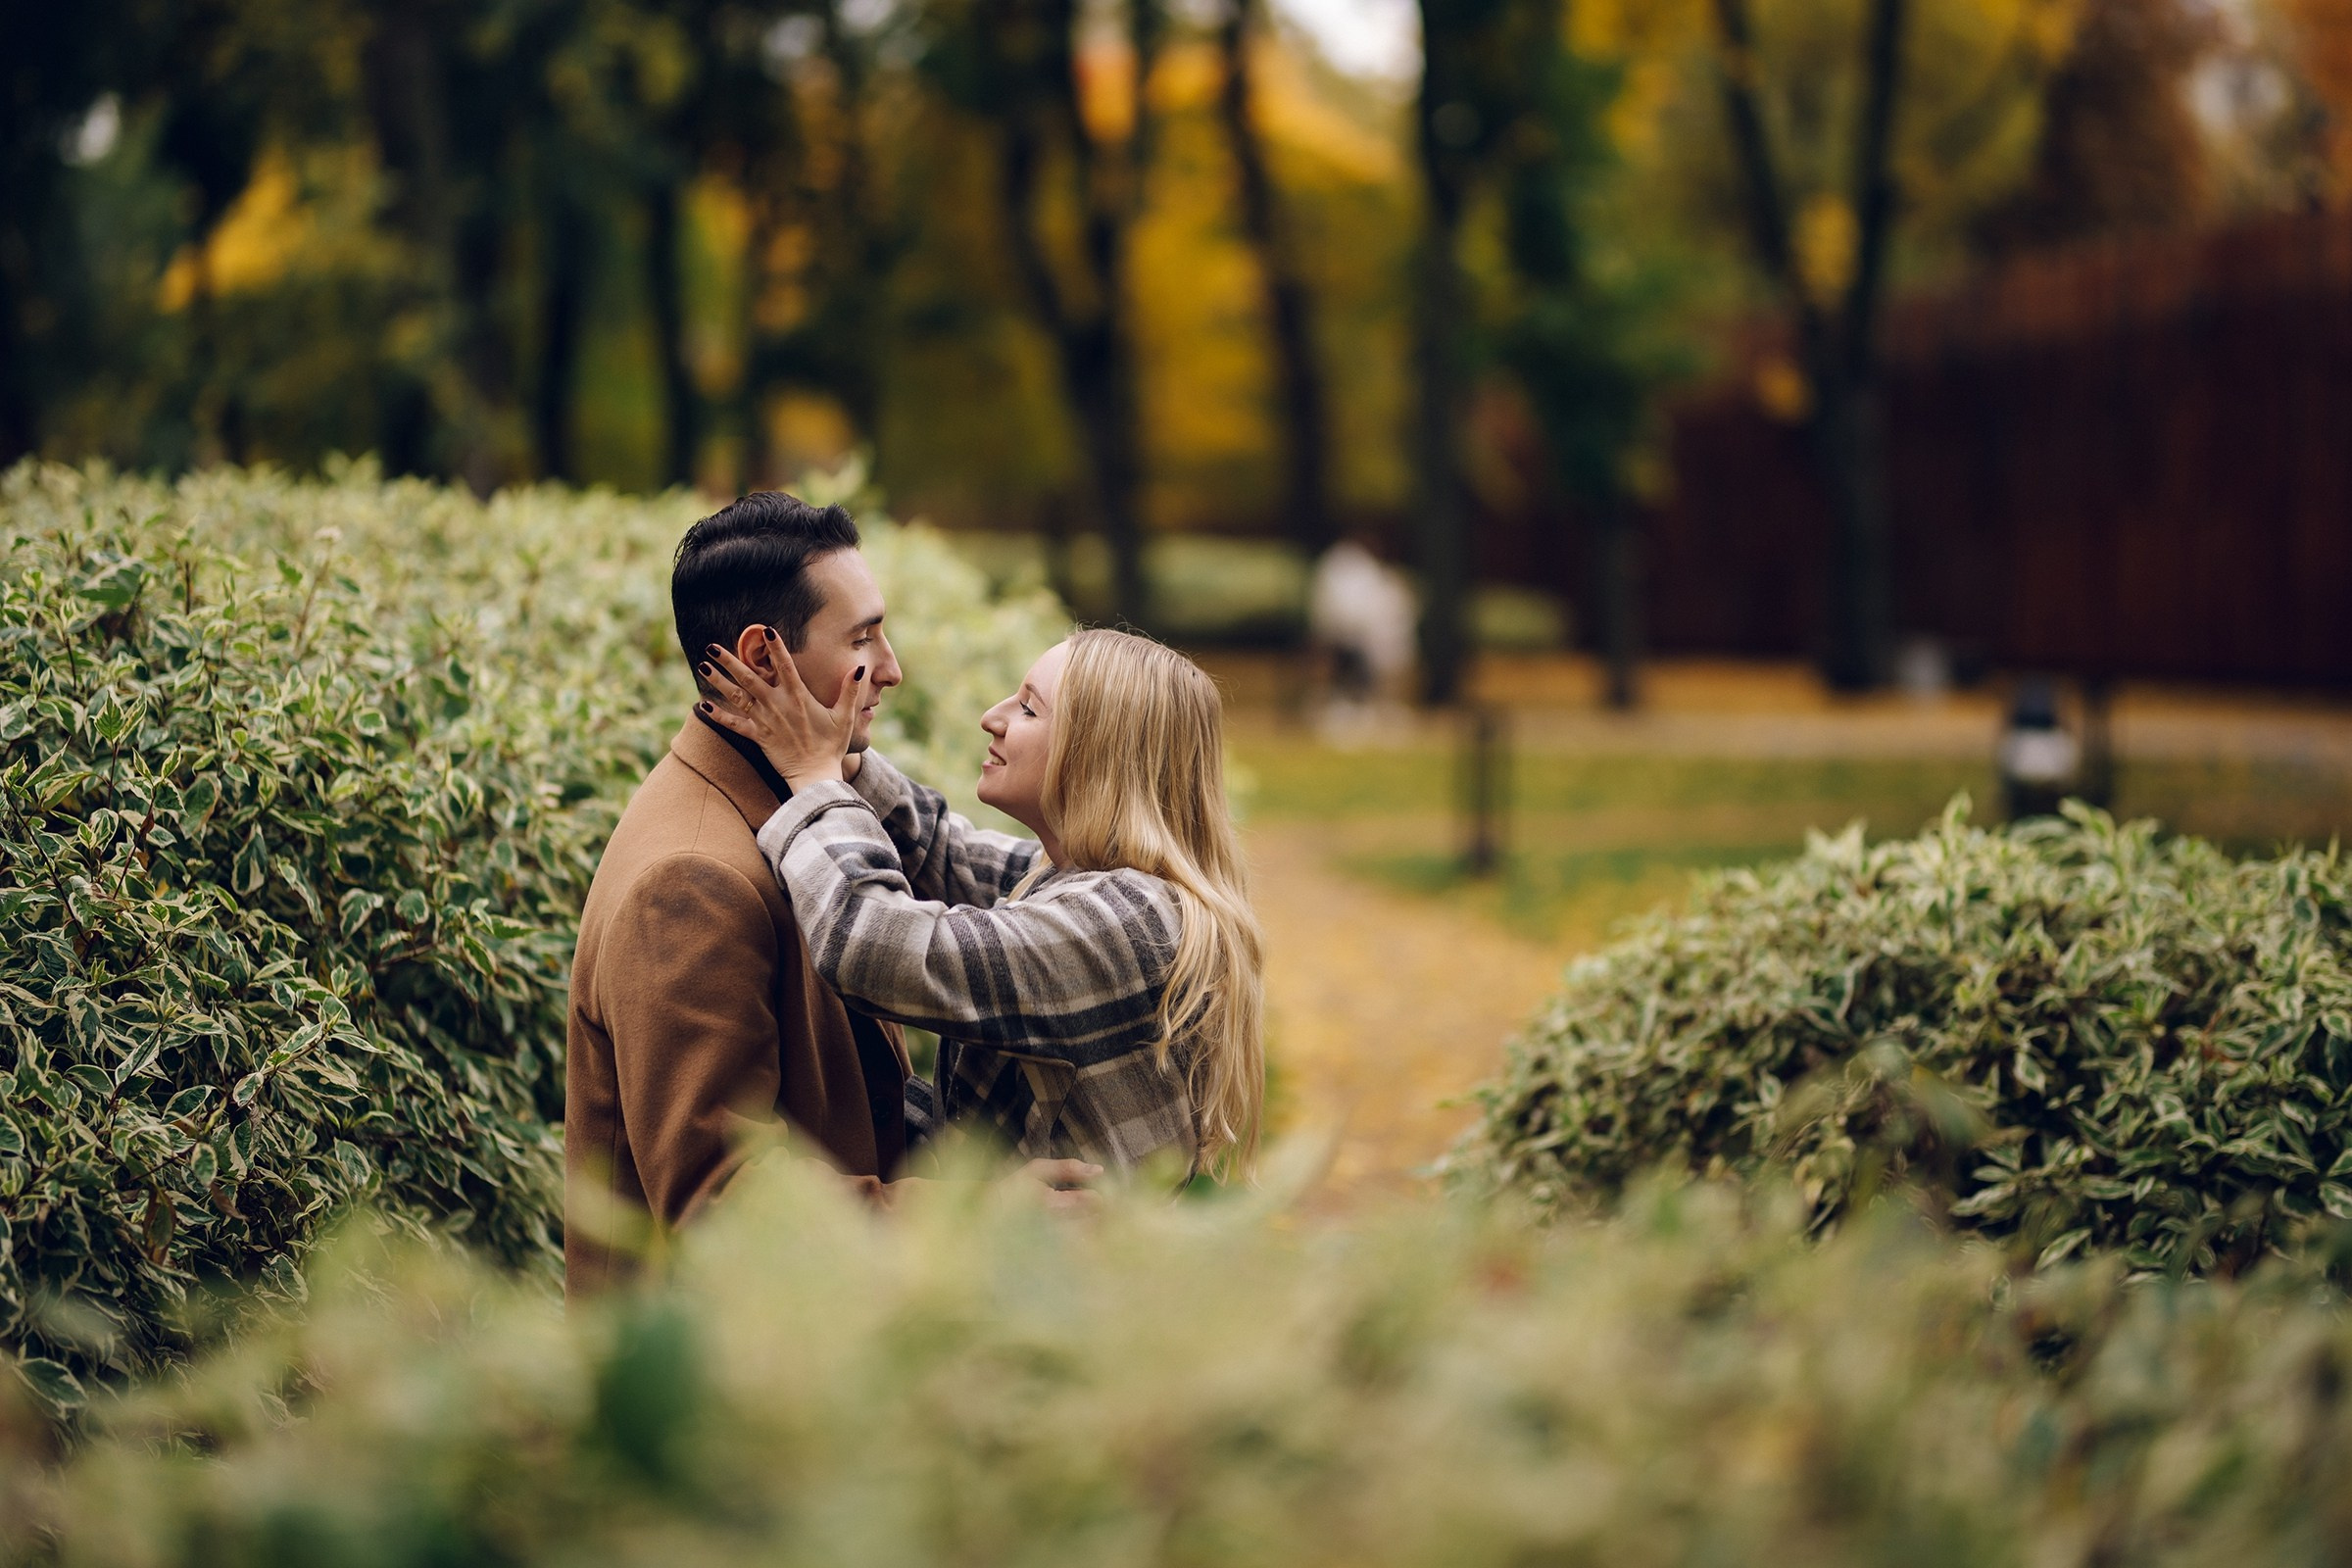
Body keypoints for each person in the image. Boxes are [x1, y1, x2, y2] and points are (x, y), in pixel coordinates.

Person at [697, 627, 1264, 1181]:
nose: (993, 717)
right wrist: (835, 754)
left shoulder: (1130, 923)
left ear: (1099, 755)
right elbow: (944, 854)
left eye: (1029, 709)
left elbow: (869, 941)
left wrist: (812, 776)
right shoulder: (1081, 875)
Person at [564, 492, 916, 1296]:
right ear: (763, 658)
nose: (892, 669)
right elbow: (725, 1209)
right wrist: (972, 1214)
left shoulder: (783, 808)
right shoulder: (690, 882)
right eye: (863, 639)